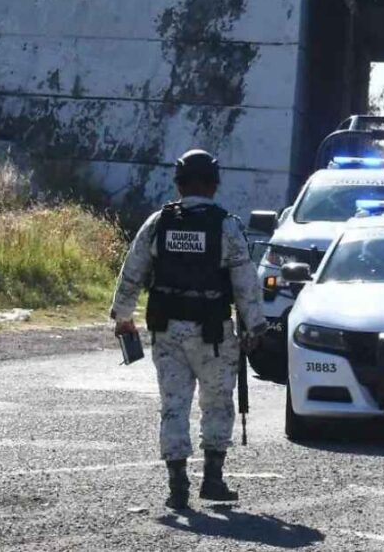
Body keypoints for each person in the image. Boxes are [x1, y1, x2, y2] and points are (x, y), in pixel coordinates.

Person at [110, 149, 267, 510]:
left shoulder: (158, 222)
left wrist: (123, 315)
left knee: (173, 406)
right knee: (216, 405)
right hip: (212, 334)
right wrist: (255, 327)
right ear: (214, 184)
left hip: (166, 331)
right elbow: (245, 282)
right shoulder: (226, 225)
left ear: (178, 183)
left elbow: (132, 270)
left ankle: (177, 486)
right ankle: (212, 480)